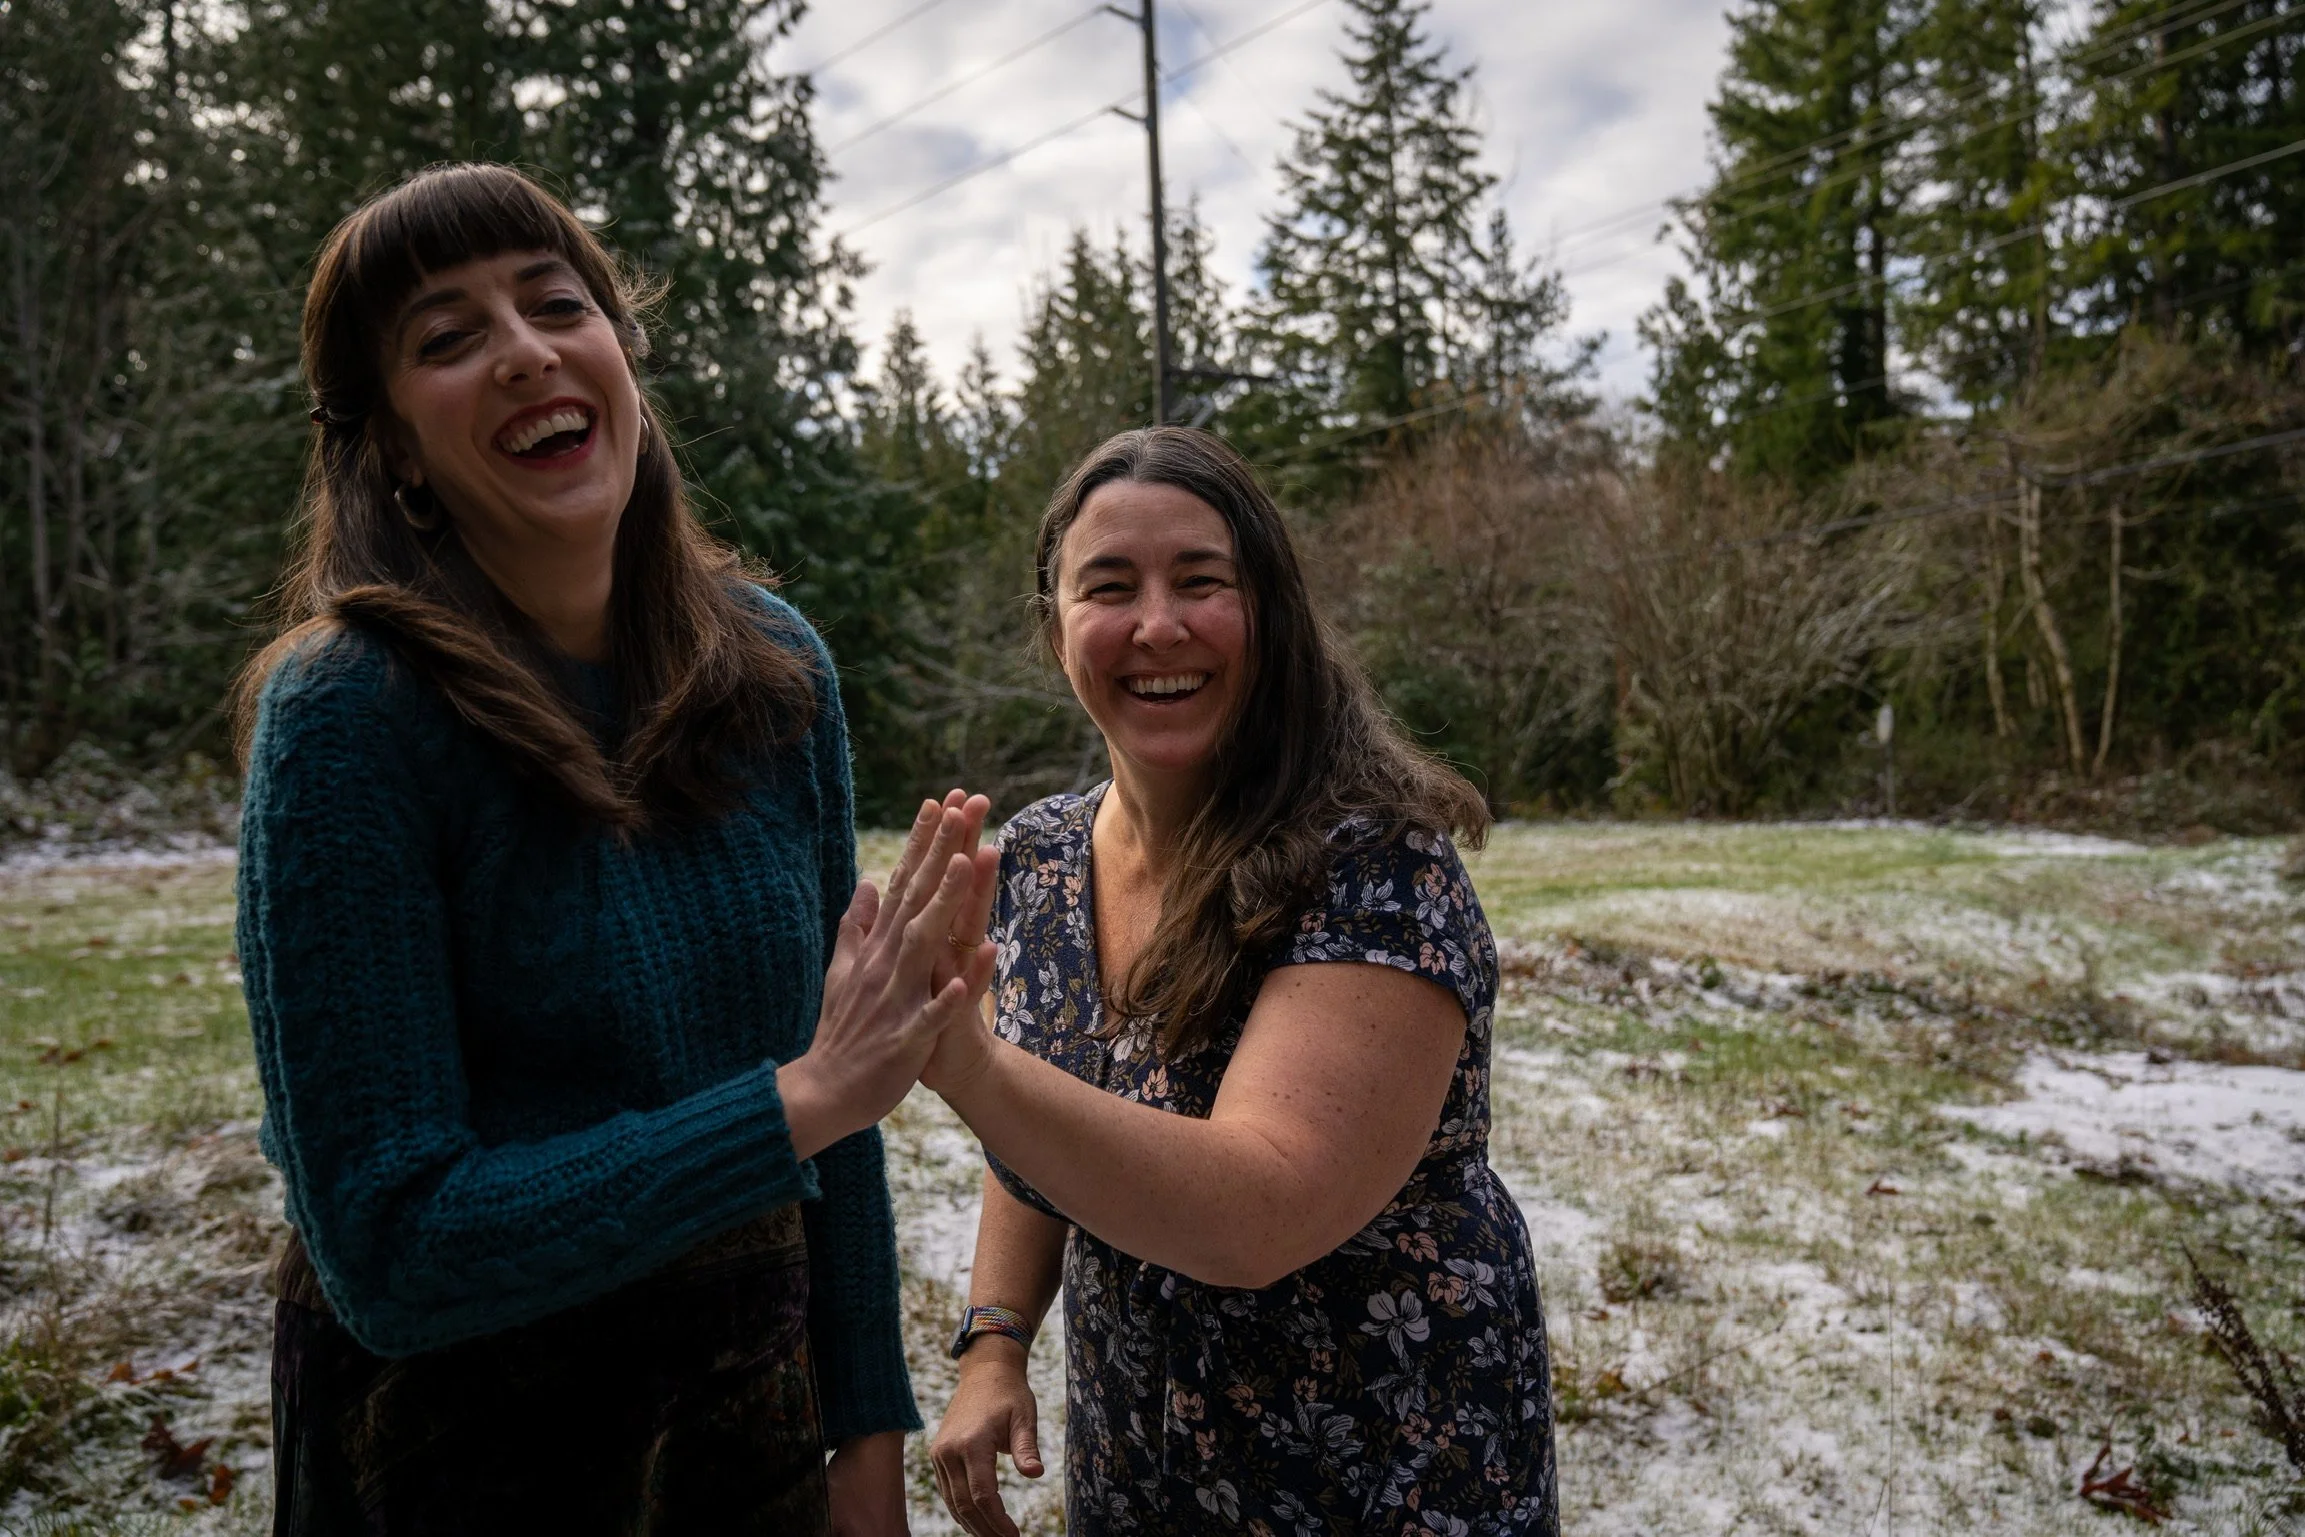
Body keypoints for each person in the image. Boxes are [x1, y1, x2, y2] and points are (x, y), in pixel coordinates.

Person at [233, 162, 995, 1535]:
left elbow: (850, 1101)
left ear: (622, 357)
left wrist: (866, 1426)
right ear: (394, 443)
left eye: (554, 304)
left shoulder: (775, 673)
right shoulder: (349, 716)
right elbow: (392, 1245)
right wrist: (799, 1103)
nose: (524, 352)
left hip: (742, 1419)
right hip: (457, 1451)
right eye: (448, 338)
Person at [925, 427, 1559, 1536]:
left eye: (1201, 582)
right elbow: (1044, 1125)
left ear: (1267, 611)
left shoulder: (1373, 860)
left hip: (1388, 1477)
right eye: (1108, 586)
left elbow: (1257, 1212)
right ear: (1055, 624)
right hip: (1141, 1469)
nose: (1156, 624)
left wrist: (959, 1061)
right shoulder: (1034, 859)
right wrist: (994, 1340)